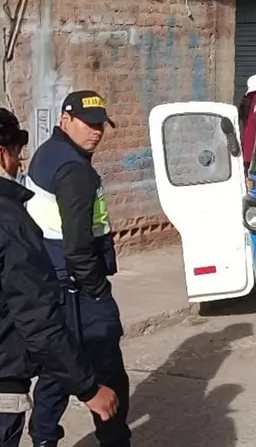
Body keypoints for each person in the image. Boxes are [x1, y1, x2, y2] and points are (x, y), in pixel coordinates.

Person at [0, 109, 118, 446]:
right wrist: (88, 388)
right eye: (14, 154)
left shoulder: (49, 156)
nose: (18, 164)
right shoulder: (10, 221)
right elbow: (38, 322)